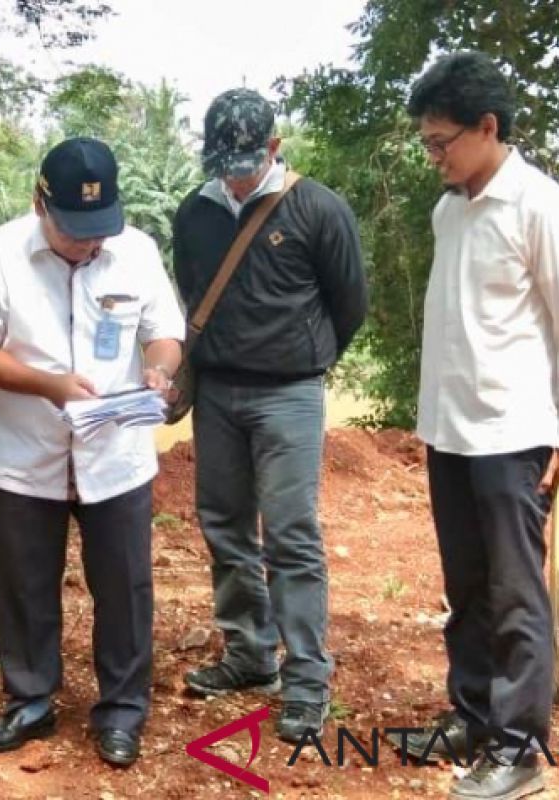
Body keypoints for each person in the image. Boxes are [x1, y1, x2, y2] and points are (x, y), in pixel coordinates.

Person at [396, 52, 559, 800]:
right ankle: (473, 714)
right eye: (427, 143)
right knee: (466, 587)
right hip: (450, 429)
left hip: (515, 434)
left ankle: (518, 749)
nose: (435, 156)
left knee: (517, 594)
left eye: (442, 141)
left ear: (488, 127)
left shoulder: (543, 208)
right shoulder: (450, 210)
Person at [0, 137, 184, 767]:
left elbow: (164, 332)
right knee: (25, 586)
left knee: (126, 587)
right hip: (25, 453)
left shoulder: (136, 252)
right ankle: (30, 702)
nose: (91, 244)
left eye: (100, 229)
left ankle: (122, 711)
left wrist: (159, 371)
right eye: (76, 231)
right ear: (38, 203)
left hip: (117, 453)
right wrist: (49, 385)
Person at [172, 88, 367, 743]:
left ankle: (307, 678)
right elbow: (192, 293)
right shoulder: (192, 214)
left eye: (246, 162)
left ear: (275, 149)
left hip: (290, 395)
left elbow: (350, 306)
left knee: (290, 534)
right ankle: (250, 656)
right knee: (225, 527)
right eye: (223, 161)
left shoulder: (318, 208)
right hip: (219, 395)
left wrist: (302, 358)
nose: (233, 174)